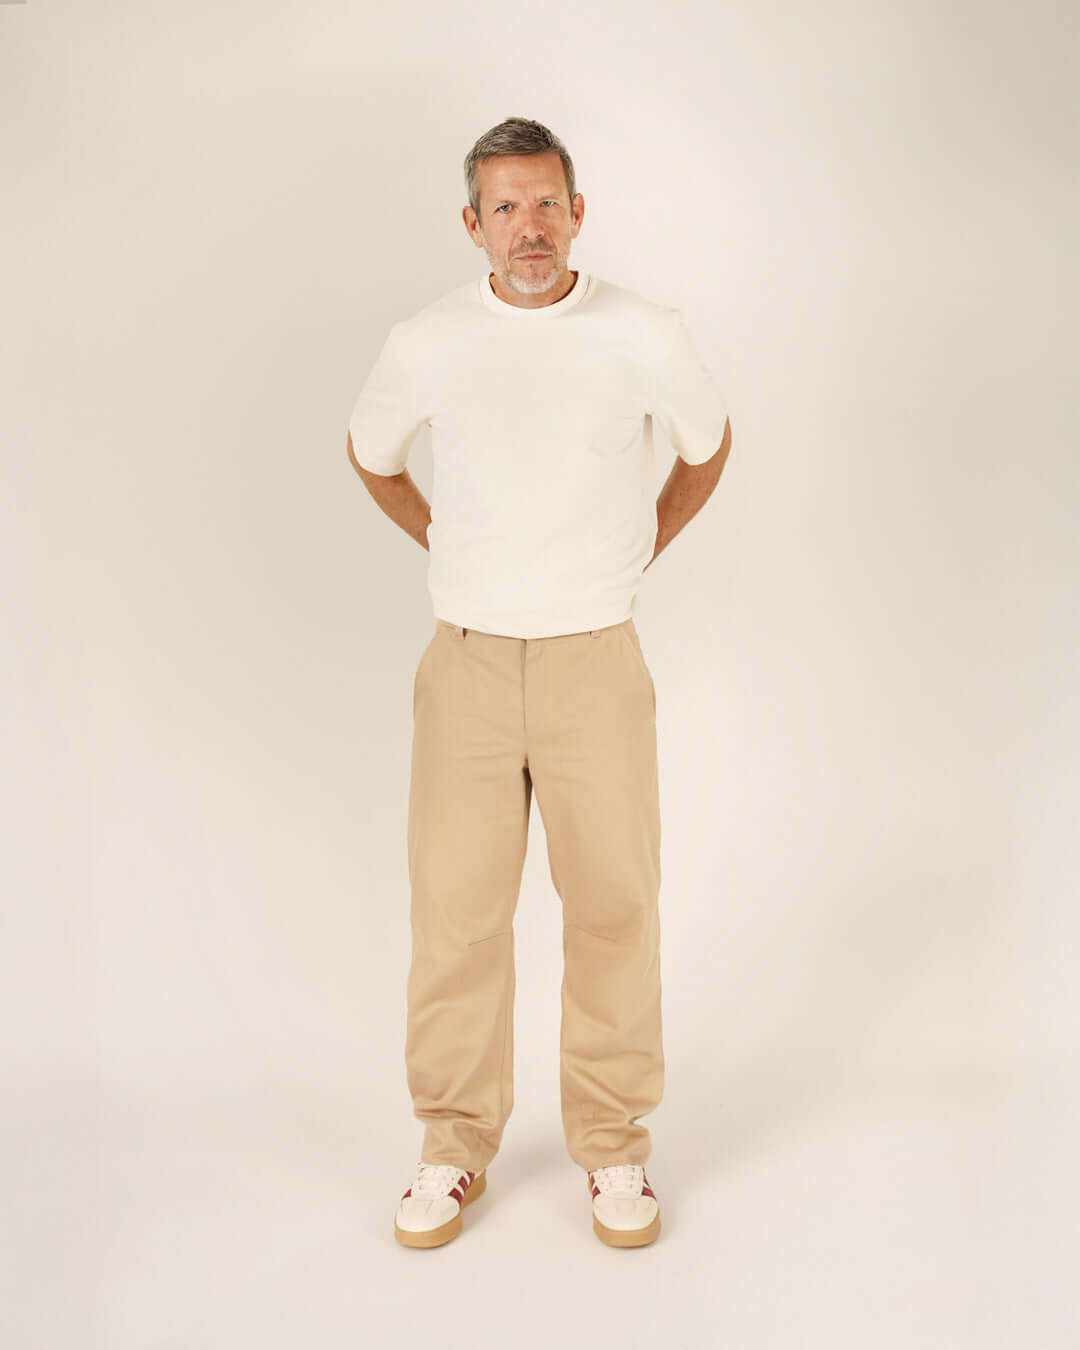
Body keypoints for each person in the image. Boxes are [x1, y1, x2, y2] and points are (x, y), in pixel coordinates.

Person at [346, 117, 732, 1249]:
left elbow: (707, 445)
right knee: (456, 917)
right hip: (467, 662)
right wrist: (444, 540)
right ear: (473, 224)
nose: (531, 227)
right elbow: (373, 456)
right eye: (507, 208)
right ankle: (452, 1145)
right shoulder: (427, 342)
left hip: (594, 661)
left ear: (578, 213)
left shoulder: (644, 332)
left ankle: (613, 1146)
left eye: (548, 203)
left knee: (615, 907)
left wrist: (641, 546)